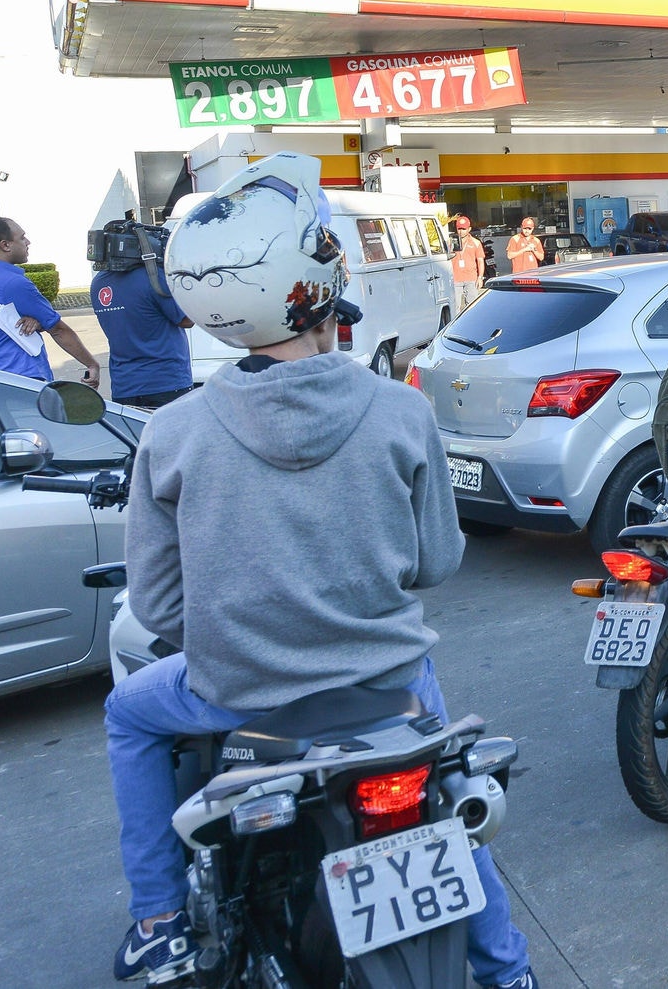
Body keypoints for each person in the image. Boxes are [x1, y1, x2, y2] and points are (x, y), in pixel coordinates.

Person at [105, 154, 536, 988]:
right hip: (389, 681)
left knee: (128, 713)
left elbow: (158, 604)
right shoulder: (402, 410)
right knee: (446, 809)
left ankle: (158, 919)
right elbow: (438, 561)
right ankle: (508, 970)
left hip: (238, 686)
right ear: (322, 282)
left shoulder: (175, 431)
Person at [89, 221, 193, 408]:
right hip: (166, 383)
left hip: (124, 388)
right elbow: (187, 319)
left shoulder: (98, 283)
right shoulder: (153, 277)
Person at [0, 216, 100, 387]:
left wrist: (38, 322)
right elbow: (59, 330)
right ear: (5, 245)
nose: (28, 242)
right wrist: (92, 364)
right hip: (22, 382)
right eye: (22, 237)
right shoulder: (14, 284)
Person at [449, 214, 487, 315]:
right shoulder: (450, 242)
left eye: (464, 229)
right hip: (455, 278)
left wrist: (480, 277)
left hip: (471, 278)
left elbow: (480, 261)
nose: (461, 231)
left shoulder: (476, 243)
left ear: (469, 229)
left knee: (472, 306)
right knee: (454, 306)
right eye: (459, 228)